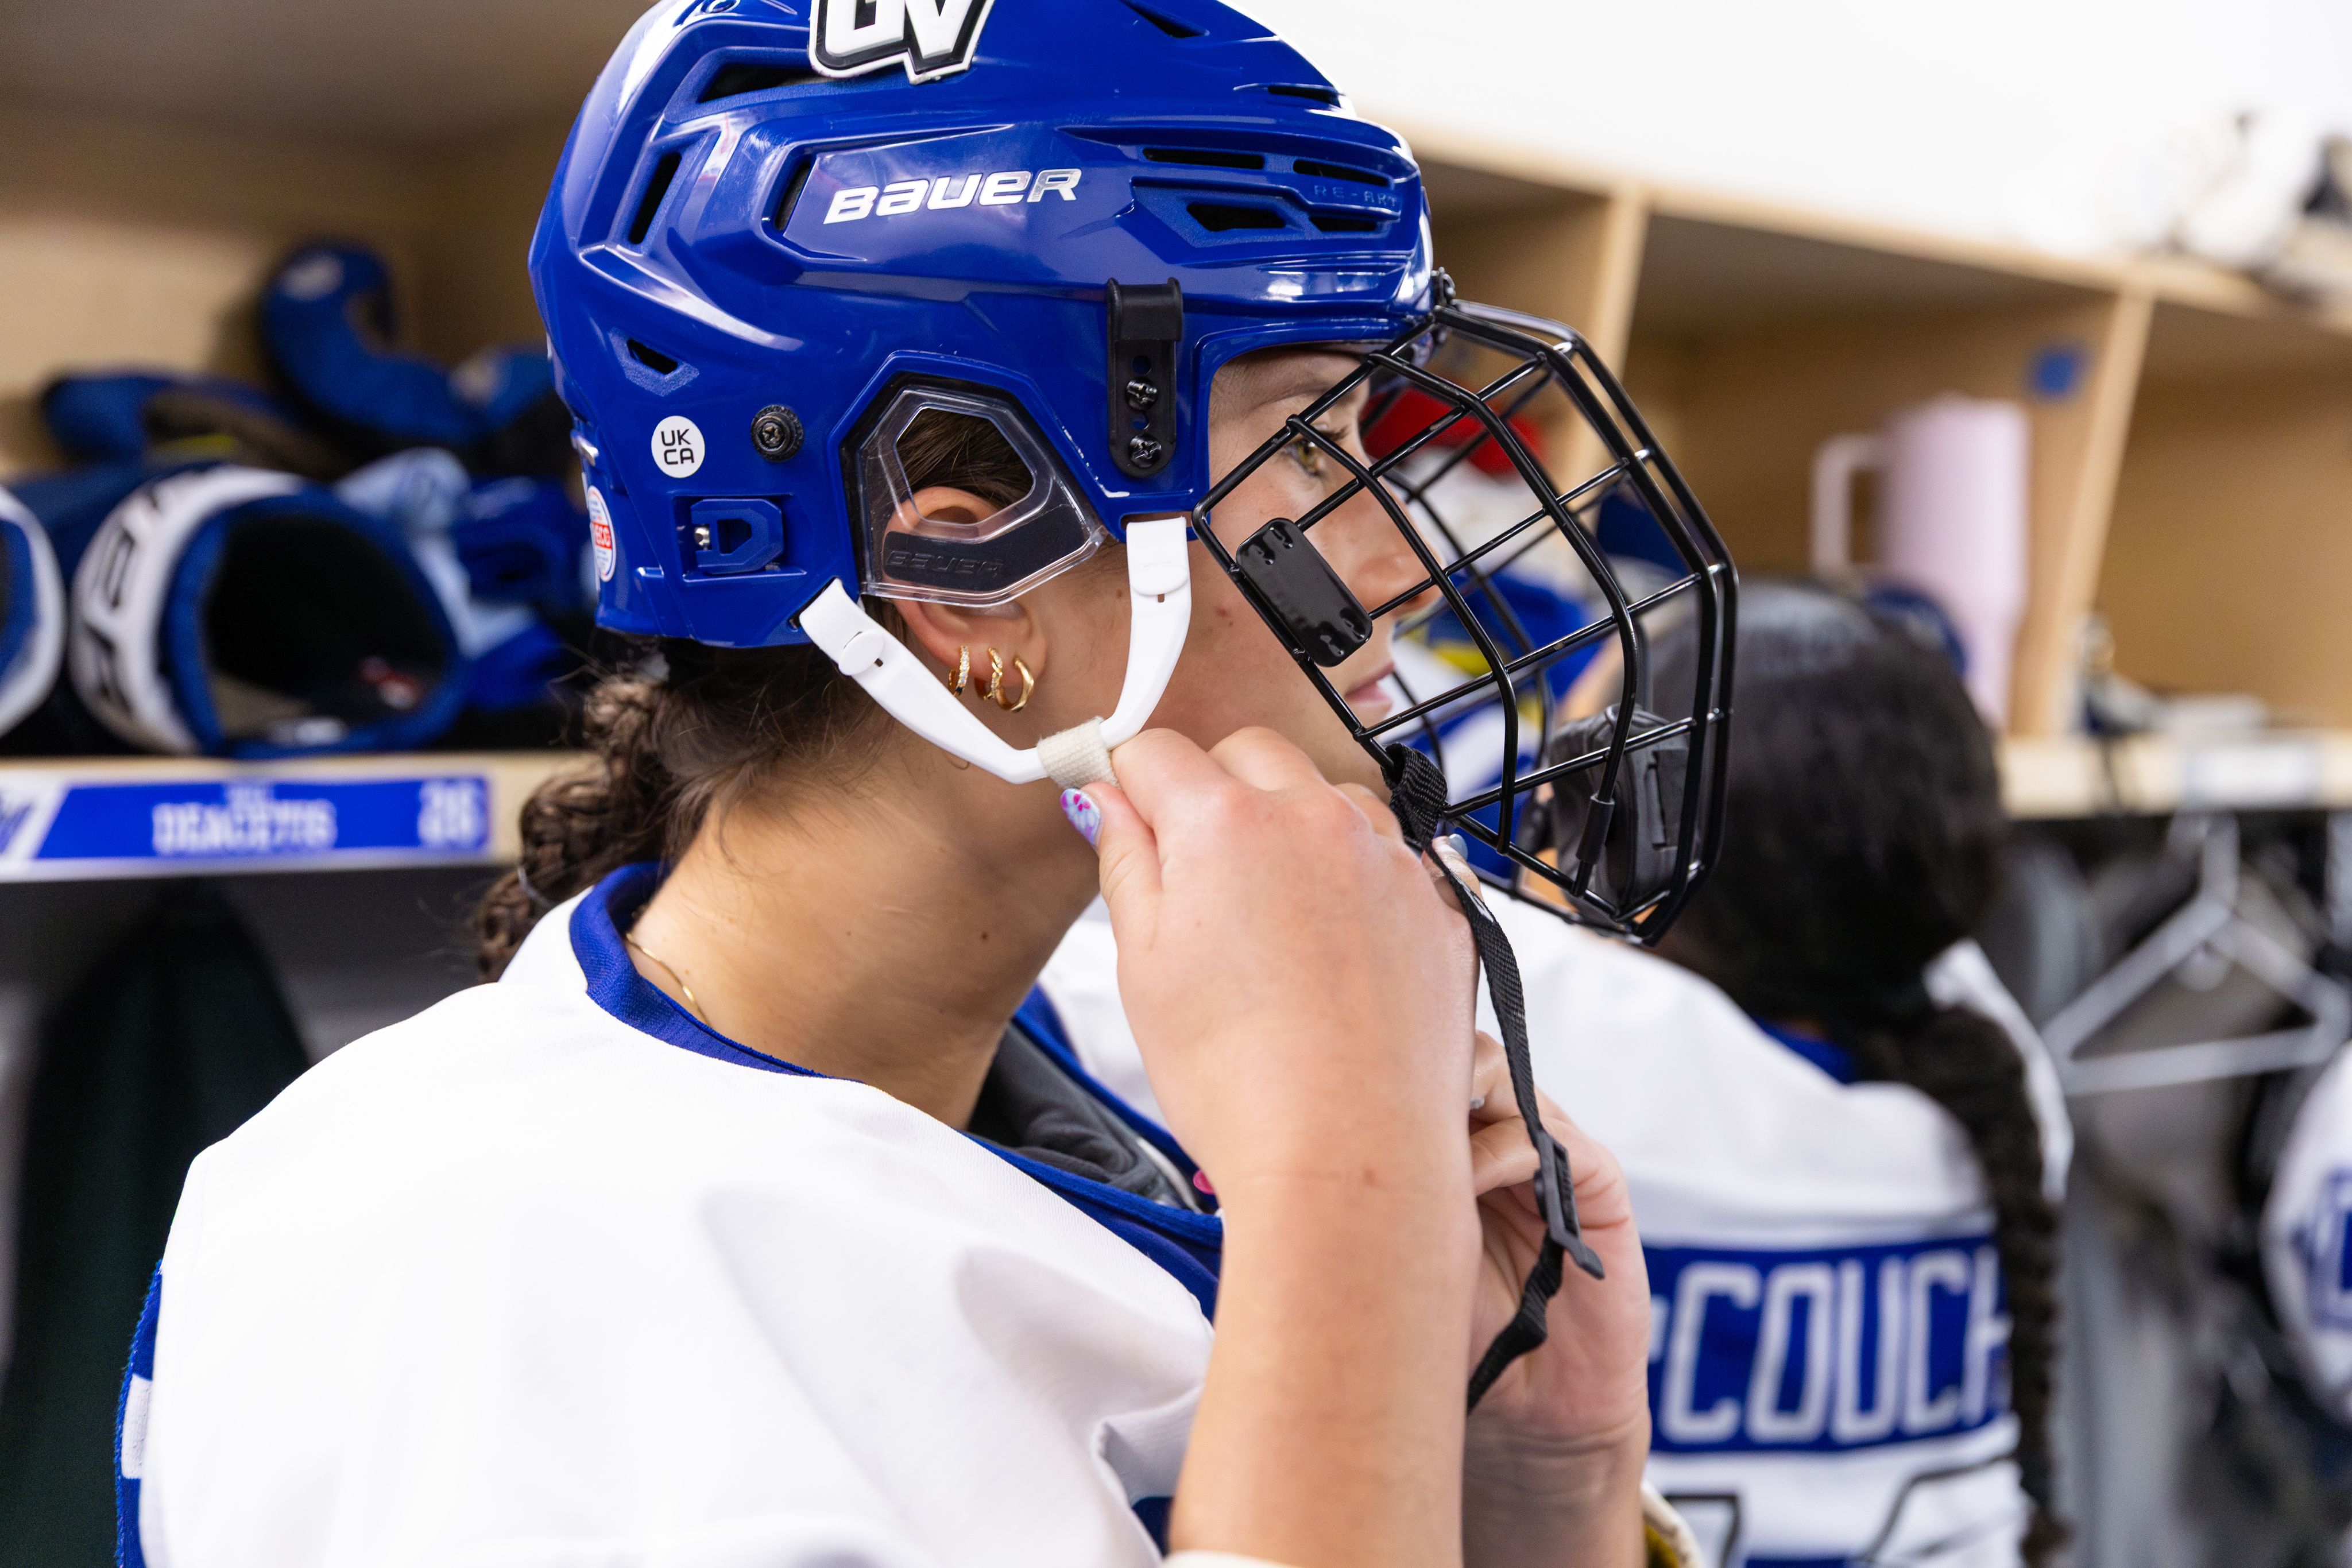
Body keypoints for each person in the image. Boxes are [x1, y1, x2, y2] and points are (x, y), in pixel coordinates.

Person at [109, 3, 1736, 1566]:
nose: (1400, 559)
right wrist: (1345, 1212)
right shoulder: (502, 1278)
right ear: (965, 566)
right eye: (1308, 443)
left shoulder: (1072, 1067)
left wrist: (1543, 1482)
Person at [1049, 580, 2074, 1567]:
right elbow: (1874, 849)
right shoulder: (1996, 1071)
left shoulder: (1570, 1032)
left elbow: (1073, 985)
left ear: (1636, 840)